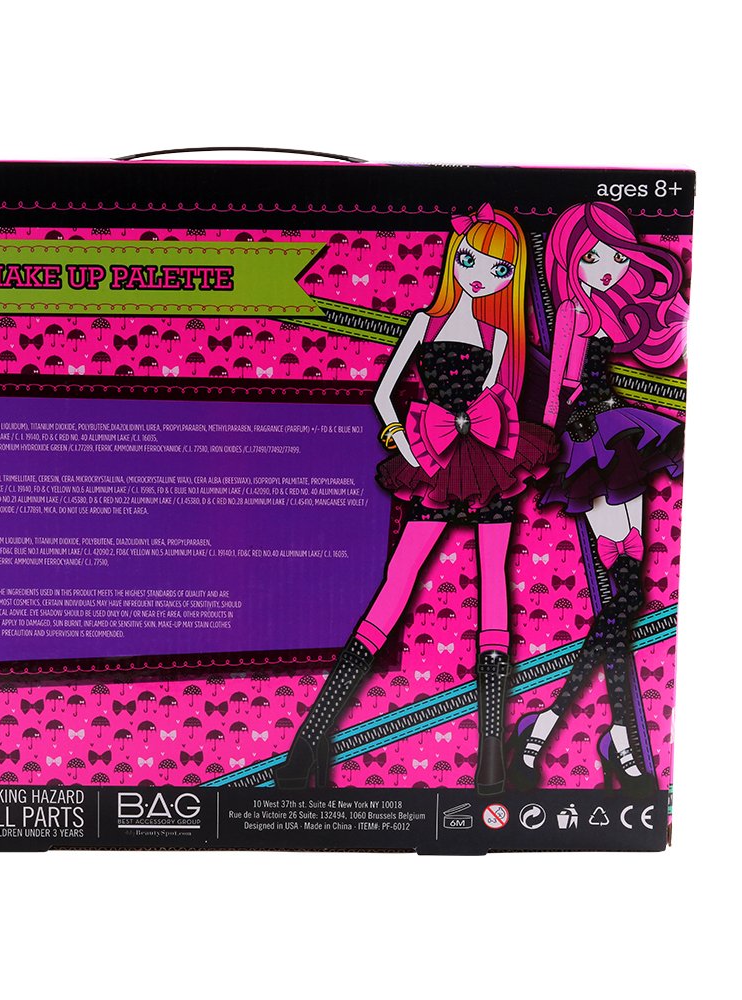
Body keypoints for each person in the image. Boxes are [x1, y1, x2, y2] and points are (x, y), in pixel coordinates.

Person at [274, 204, 556, 794]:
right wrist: (402, 436)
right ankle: (309, 742)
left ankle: (490, 760)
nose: (482, 275)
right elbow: (385, 393)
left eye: (499, 270)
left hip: (486, 460)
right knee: (397, 583)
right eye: (472, 260)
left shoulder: (501, 336)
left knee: (494, 589)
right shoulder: (424, 323)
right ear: (456, 257)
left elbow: (496, 406)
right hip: (432, 459)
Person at [508, 202, 686, 795]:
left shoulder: (611, 308)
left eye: (614, 254)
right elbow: (558, 388)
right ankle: (613, 737)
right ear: (569, 260)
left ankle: (555, 724)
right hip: (591, 445)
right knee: (623, 592)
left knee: (626, 592)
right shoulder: (571, 314)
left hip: (618, 438)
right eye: (591, 257)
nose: (605, 266)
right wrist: (545, 447)